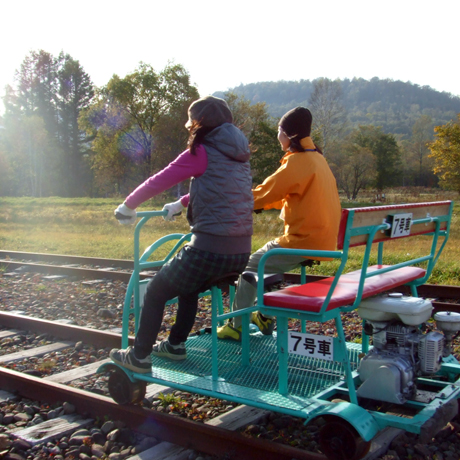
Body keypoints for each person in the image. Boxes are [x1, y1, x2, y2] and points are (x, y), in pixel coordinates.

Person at [110, 95, 253, 372]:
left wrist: (127, 206)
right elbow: (222, 190)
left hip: (209, 250)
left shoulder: (202, 150)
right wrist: (181, 203)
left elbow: (161, 178)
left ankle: (138, 357)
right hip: (239, 253)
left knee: (154, 291)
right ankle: (175, 345)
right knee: (187, 286)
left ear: (198, 124)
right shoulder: (239, 154)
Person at [217, 107, 341, 341]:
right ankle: (264, 313)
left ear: (288, 134)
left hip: (305, 240)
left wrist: (232, 200)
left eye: (278, 131)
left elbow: (264, 193)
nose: (277, 136)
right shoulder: (317, 159)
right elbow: (285, 196)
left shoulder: (297, 162)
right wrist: (261, 203)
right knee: (270, 263)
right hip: (323, 239)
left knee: (253, 265)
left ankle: (237, 326)